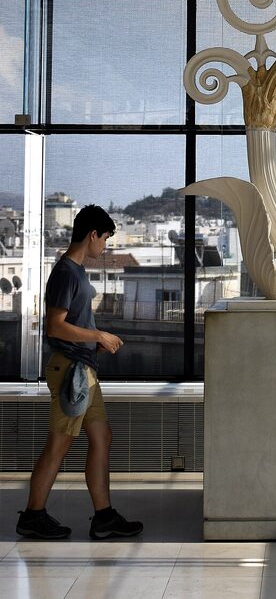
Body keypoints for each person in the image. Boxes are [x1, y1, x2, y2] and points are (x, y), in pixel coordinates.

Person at [16, 205, 143, 540]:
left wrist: (93, 343)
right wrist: (97, 335)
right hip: (71, 372)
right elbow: (56, 327)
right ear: (92, 235)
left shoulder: (76, 272)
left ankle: (104, 517)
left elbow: (72, 323)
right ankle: (32, 515)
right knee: (58, 444)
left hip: (84, 369)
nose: (105, 246)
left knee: (102, 437)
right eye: (105, 239)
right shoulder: (67, 273)